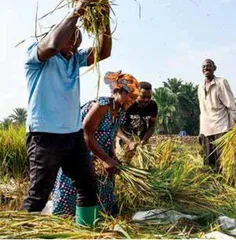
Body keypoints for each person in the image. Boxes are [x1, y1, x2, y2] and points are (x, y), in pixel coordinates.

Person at [22, 0, 112, 225]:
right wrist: (78, 10)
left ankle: (85, 230)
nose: (74, 42)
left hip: (73, 136)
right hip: (45, 135)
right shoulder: (37, 56)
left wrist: (105, 18)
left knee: (88, 185)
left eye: (76, 40)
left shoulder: (74, 59)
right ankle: (18, 232)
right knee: (39, 194)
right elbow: (52, 45)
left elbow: (104, 52)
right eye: (70, 37)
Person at [52, 71, 139, 216]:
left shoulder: (120, 113)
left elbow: (110, 137)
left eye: (134, 98)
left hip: (98, 155)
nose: (132, 100)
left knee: (102, 193)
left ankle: (97, 221)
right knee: (74, 194)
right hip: (80, 154)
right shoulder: (102, 104)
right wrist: (105, 159)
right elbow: (86, 133)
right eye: (130, 96)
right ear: (119, 90)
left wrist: (112, 157)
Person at [197, 59, 236, 172]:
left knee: (222, 160)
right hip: (206, 129)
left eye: (209, 66)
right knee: (208, 160)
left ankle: (225, 184)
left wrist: (235, 126)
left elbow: (231, 105)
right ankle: (211, 185)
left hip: (221, 127)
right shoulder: (200, 86)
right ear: (201, 69)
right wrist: (201, 131)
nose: (206, 68)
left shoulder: (221, 82)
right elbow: (202, 110)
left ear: (214, 68)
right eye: (204, 66)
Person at [118, 81, 158, 146]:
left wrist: (144, 140)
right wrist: (129, 142)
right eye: (143, 97)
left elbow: (152, 126)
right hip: (125, 143)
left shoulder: (152, 105)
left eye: (149, 97)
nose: (146, 100)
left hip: (141, 143)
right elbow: (116, 128)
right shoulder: (127, 104)